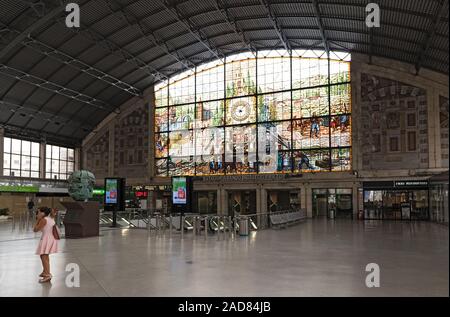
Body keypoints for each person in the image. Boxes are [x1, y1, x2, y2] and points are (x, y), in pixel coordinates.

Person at [33, 207, 58, 283]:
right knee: (44, 256)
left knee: (44, 256)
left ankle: (47, 275)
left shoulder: (43, 220)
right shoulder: (51, 217)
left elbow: (35, 229)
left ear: (43, 213)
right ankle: (45, 271)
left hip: (46, 239)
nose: (37, 214)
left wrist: (38, 219)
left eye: (39, 212)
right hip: (51, 239)